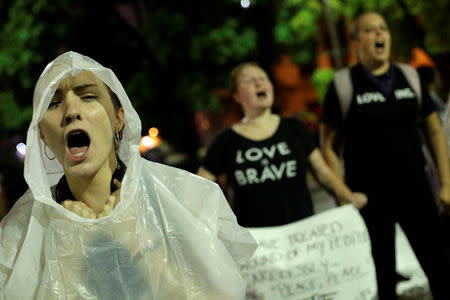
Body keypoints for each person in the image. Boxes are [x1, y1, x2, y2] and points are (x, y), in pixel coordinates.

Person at [0, 51, 257, 299]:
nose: (70, 111)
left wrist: (137, 241)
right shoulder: (19, 234)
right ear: (42, 134)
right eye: (54, 103)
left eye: (88, 96)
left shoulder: (188, 198)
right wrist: (70, 252)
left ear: (119, 118)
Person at [320, 12, 450, 300]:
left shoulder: (410, 77)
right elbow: (328, 143)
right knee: (382, 280)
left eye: (383, 28)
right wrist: (342, 195)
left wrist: (447, 183)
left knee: (440, 270)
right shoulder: (342, 85)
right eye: (369, 30)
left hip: (416, 191)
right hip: (369, 200)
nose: (379, 34)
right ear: (355, 42)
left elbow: (434, 131)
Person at [197, 62, 367, 228]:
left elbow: (322, 172)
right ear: (237, 96)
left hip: (304, 234)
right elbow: (201, 187)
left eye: (263, 78)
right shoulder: (226, 140)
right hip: (262, 244)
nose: (258, 83)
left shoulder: (294, 127)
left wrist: (348, 196)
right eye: (249, 81)